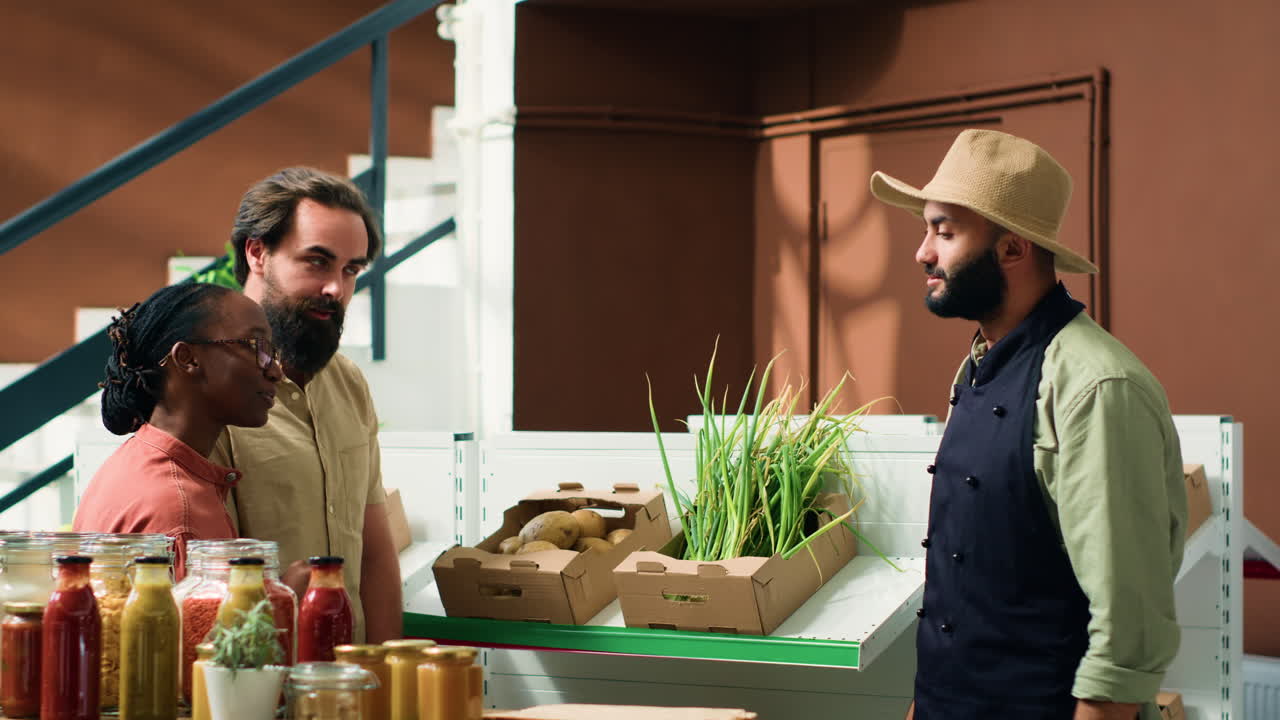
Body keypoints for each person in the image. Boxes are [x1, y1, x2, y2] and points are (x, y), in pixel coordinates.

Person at [869, 129, 1187, 720]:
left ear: (1012, 250)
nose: (923, 252)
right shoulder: (980, 365)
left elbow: (1126, 625)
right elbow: (966, 586)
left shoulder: (1096, 387)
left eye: (944, 231)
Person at [210, 166, 402, 643]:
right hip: (255, 679)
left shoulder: (348, 383)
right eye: (317, 262)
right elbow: (203, 579)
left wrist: (382, 678)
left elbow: (375, 556)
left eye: (351, 269)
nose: (337, 288)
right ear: (257, 253)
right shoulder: (206, 386)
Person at [73, 283, 283, 578]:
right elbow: (196, 626)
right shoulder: (180, 514)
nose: (276, 370)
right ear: (187, 358)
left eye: (271, 352)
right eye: (256, 347)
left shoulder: (133, 462)